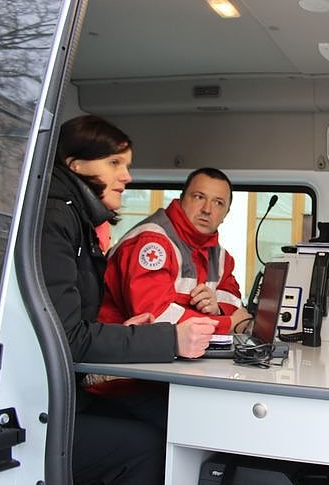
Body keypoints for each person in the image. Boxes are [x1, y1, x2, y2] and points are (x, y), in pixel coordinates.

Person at [41, 115, 219, 484]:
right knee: (152, 443)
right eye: (114, 163)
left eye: (126, 165)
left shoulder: (75, 220)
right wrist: (171, 339)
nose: (127, 177)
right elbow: (65, 338)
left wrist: (122, 330)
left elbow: (70, 323)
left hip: (64, 393)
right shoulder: (54, 222)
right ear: (75, 165)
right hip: (40, 405)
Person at [98, 167, 250, 335]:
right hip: (118, 345)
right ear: (182, 198)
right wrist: (227, 324)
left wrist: (217, 309)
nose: (207, 209)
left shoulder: (221, 257)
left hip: (166, 346)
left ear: (226, 213)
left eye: (218, 203)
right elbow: (155, 317)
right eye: (199, 197)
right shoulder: (151, 242)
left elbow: (233, 301)